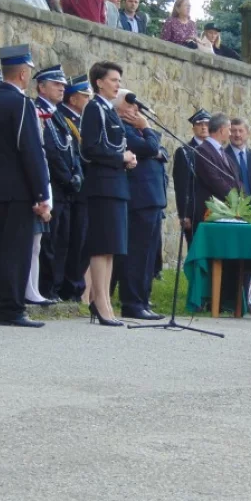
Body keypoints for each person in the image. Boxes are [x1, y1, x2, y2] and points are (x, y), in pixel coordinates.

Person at [0, 44, 51, 327]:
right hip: (19, 190)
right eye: (28, 71)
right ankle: (12, 307)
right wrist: (41, 193)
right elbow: (30, 151)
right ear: (21, 73)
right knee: (17, 251)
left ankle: (0, 304)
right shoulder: (20, 103)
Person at [80, 61, 137, 326]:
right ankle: (98, 299)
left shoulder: (110, 110)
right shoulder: (94, 109)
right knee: (102, 245)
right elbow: (90, 149)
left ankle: (104, 300)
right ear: (99, 82)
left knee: (111, 247)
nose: (117, 85)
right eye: (113, 80)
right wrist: (119, 156)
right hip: (102, 185)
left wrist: (127, 158)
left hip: (116, 184)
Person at [109, 89, 165, 321]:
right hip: (139, 198)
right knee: (136, 254)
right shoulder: (123, 128)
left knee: (149, 255)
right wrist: (147, 130)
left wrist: (148, 136)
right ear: (119, 107)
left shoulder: (138, 129)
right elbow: (151, 148)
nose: (136, 110)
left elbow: (162, 151)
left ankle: (143, 299)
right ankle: (132, 302)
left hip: (152, 198)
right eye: (130, 105)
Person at [34, 65, 82, 303]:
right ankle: (46, 288)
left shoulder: (59, 115)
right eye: (56, 84)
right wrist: (67, 177)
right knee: (50, 243)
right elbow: (50, 151)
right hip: (53, 187)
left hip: (67, 190)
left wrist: (77, 175)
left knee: (62, 241)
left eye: (63, 85)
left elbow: (72, 148)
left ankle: (56, 287)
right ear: (41, 87)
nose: (61, 88)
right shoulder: (38, 111)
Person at [57, 75, 91, 302]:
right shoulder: (67, 120)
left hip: (85, 188)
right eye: (85, 96)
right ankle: (70, 286)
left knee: (82, 240)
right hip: (75, 190)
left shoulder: (81, 121)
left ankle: (76, 285)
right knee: (72, 240)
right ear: (73, 98)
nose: (89, 100)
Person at [173, 109, 209, 246]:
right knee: (196, 247)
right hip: (195, 210)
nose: (204, 127)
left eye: (207, 124)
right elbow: (181, 185)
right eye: (200, 124)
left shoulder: (217, 150)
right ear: (193, 127)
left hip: (214, 209)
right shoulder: (185, 151)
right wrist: (184, 213)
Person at [225, 117, 251, 206]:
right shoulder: (223, 156)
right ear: (228, 133)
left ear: (247, 133)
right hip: (232, 210)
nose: (237, 134)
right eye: (233, 131)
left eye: (241, 130)